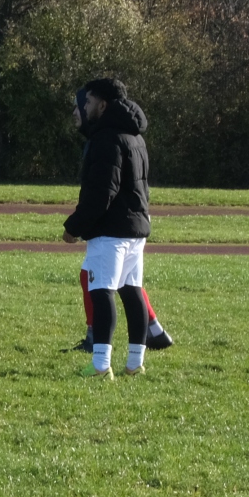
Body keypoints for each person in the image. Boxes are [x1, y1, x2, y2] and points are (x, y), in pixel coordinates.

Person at [68, 87, 172, 354]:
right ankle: (143, 348)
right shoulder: (131, 135)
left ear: (101, 105)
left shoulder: (107, 138)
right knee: (127, 286)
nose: (77, 111)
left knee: (103, 286)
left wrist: (75, 226)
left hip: (114, 225)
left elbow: (103, 191)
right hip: (132, 223)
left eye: (83, 104)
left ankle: (100, 354)